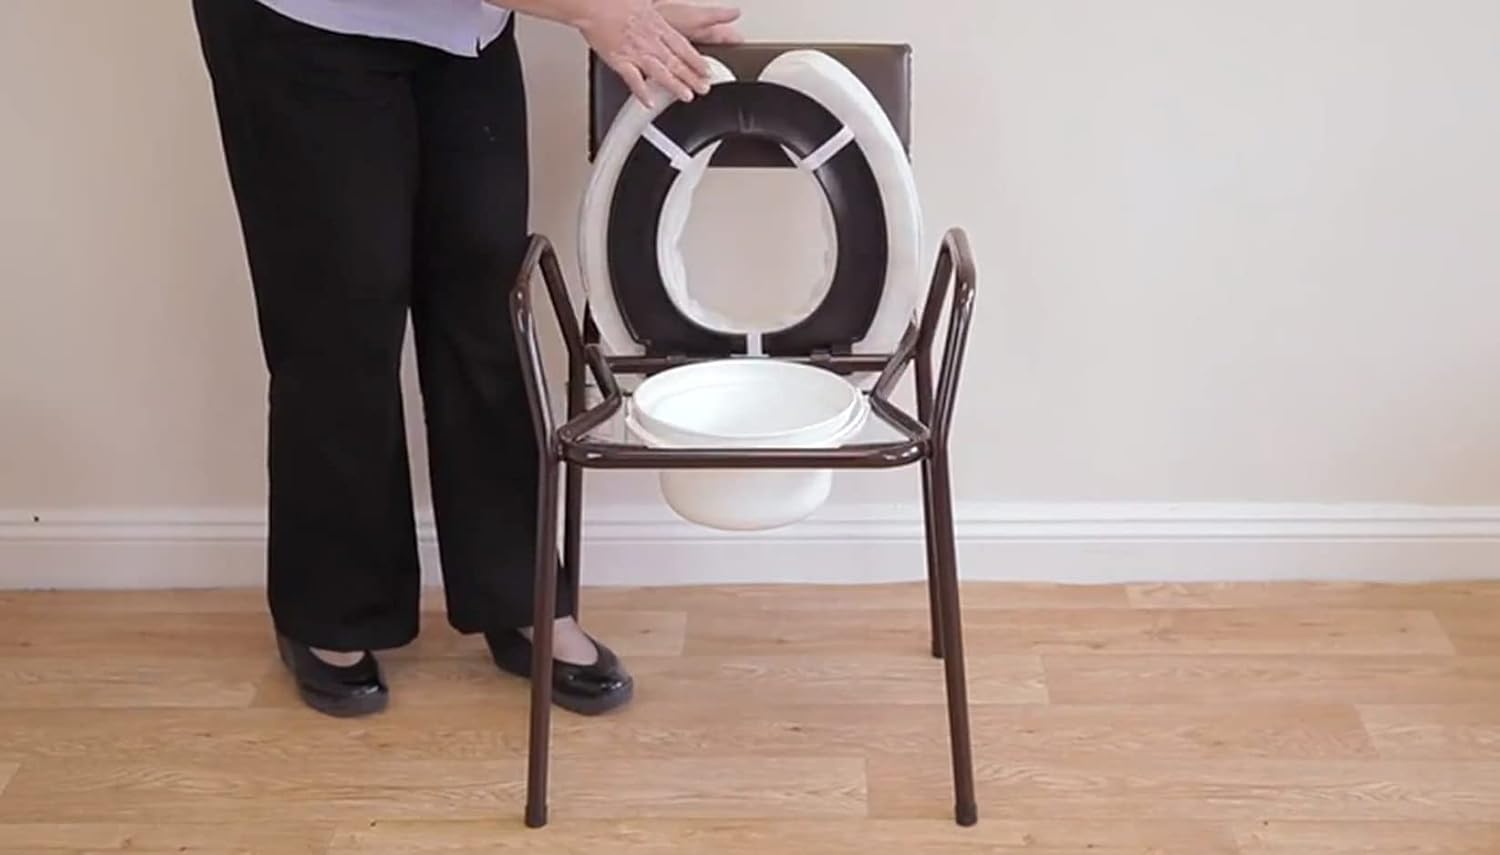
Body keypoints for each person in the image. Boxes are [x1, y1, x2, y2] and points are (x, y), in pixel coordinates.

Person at [190, 0, 742, 718]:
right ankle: (332, 609)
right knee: (342, 311)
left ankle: (518, 595)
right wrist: (593, 9)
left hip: (464, 28)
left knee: (487, 304)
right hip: (304, 29)